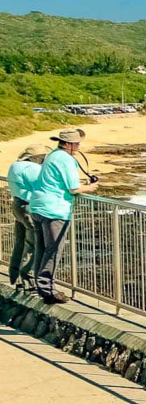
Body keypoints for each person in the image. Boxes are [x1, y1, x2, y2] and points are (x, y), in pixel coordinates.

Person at [28, 128, 100, 304]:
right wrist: (90, 188)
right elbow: (73, 189)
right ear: (68, 144)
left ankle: (40, 286)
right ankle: (47, 290)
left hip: (38, 206)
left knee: (42, 248)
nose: (78, 146)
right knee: (53, 250)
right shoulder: (66, 159)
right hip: (54, 209)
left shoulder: (52, 155)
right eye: (76, 143)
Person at [6, 146, 45, 289]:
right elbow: (44, 185)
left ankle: (14, 275)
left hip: (17, 205)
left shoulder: (15, 166)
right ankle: (27, 277)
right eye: (42, 157)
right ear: (34, 157)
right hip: (28, 206)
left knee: (20, 242)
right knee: (33, 243)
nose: (43, 160)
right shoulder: (31, 168)